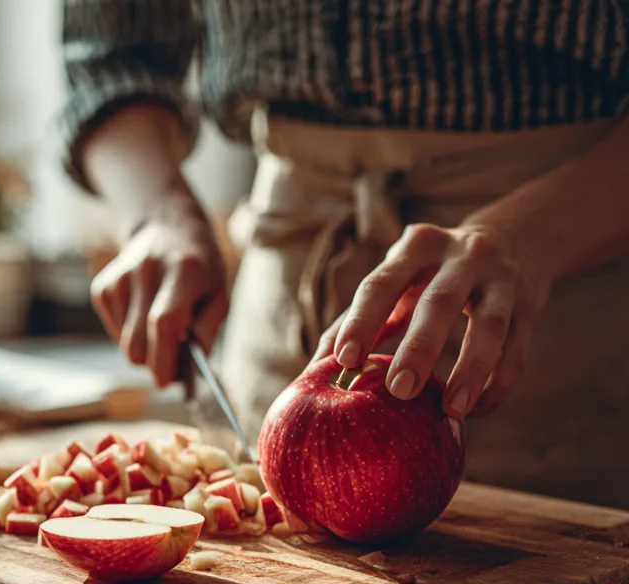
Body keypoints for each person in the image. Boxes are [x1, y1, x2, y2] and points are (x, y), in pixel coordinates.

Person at [60, 1, 629, 510]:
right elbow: (111, 56)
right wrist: (159, 214)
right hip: (290, 272)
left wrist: (528, 233)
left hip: (561, 277)